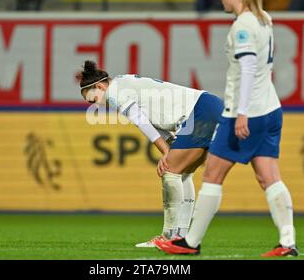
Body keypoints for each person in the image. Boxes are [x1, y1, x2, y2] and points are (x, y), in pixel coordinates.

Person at [156, 0, 298, 257]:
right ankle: (287, 241)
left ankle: (190, 243)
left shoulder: (243, 26)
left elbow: (246, 69)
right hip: (271, 109)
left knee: (212, 175)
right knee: (269, 176)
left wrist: (241, 114)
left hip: (246, 113)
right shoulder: (264, 19)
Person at [76, 60, 224, 248]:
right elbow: (153, 122)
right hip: (209, 105)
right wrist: (168, 149)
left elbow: (142, 122)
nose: (93, 104)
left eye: (92, 99)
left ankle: (168, 236)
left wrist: (165, 152)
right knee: (183, 173)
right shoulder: (123, 82)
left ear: (99, 86)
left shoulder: (114, 94)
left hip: (199, 112)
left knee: (170, 171)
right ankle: (181, 236)